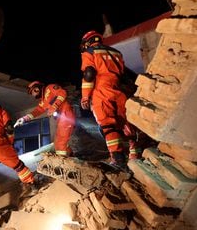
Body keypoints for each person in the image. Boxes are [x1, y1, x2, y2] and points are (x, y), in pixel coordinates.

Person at [79, 30, 141, 170]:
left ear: (87, 42)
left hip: (101, 91)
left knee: (107, 125)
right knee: (124, 123)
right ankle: (134, 154)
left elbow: (89, 74)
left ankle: (118, 160)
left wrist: (85, 96)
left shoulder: (89, 52)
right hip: (118, 91)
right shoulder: (116, 53)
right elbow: (125, 74)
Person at [14, 81, 76, 157]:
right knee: (57, 142)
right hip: (61, 118)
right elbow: (38, 111)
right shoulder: (43, 101)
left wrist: (54, 106)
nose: (33, 95)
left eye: (32, 92)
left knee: (60, 142)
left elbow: (62, 93)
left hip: (66, 115)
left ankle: (62, 162)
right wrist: (24, 119)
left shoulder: (49, 88)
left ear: (36, 89)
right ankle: (72, 157)